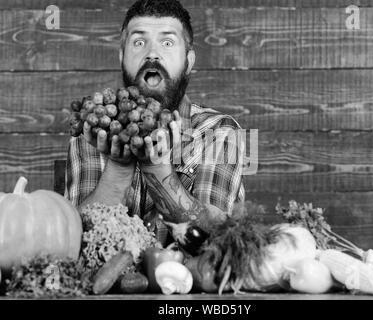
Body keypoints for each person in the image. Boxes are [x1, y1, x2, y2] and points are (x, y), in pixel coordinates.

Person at [65, 0, 245, 247]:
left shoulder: (221, 132)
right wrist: (117, 170)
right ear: (122, 56)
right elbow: (70, 242)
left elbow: (219, 244)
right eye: (139, 42)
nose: (151, 53)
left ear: (189, 61)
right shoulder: (91, 135)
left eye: (167, 42)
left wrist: (157, 167)